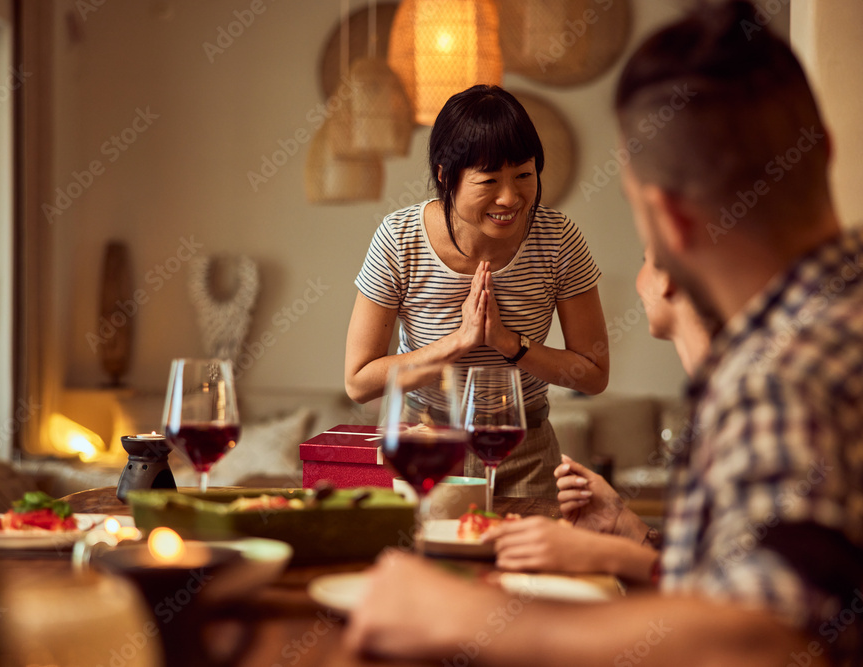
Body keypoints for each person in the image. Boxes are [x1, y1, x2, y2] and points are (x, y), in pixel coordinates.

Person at [345, 2, 863, 664]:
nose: (511, 199)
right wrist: (637, 539)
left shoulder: (776, 377)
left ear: (669, 221)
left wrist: (480, 620)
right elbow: (765, 582)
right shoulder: (832, 322)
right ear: (824, 148)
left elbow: (764, 633)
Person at [345, 84, 609, 497]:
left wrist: (509, 343)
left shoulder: (558, 239)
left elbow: (592, 375)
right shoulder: (400, 239)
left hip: (522, 450)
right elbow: (359, 382)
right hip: (422, 446)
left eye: (524, 175)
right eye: (488, 180)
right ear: (445, 175)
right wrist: (458, 343)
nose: (510, 197)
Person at [490, 249, 716, 581]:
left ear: (666, 281)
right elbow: (704, 565)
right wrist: (625, 525)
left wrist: (606, 555)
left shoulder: (748, 402)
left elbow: (742, 605)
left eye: (644, 261)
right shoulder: (716, 392)